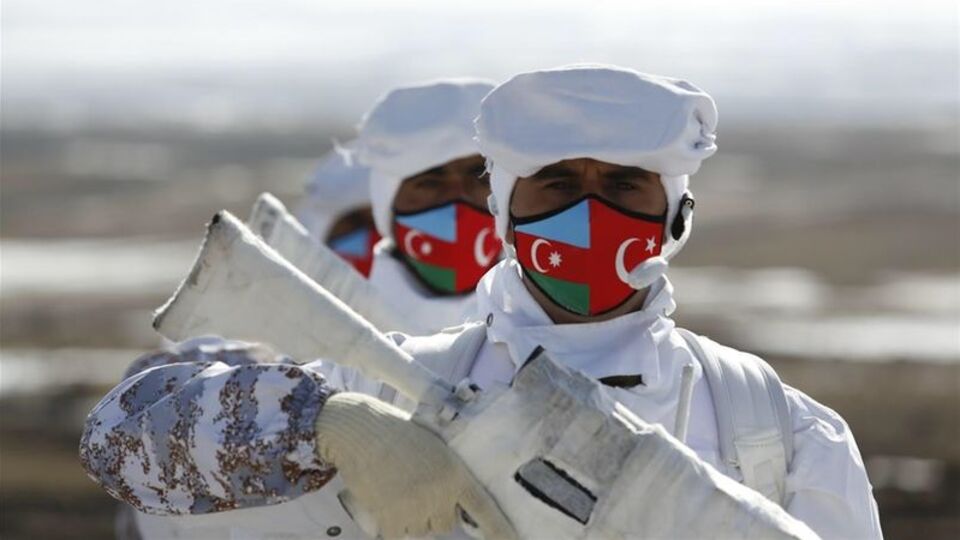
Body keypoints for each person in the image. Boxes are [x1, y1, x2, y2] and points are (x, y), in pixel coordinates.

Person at [80, 65, 881, 538]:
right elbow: (118, 440)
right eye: (559, 183)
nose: (591, 214)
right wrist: (323, 425)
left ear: (676, 216)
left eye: (626, 186)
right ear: (506, 213)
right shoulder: (390, 387)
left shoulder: (775, 430)